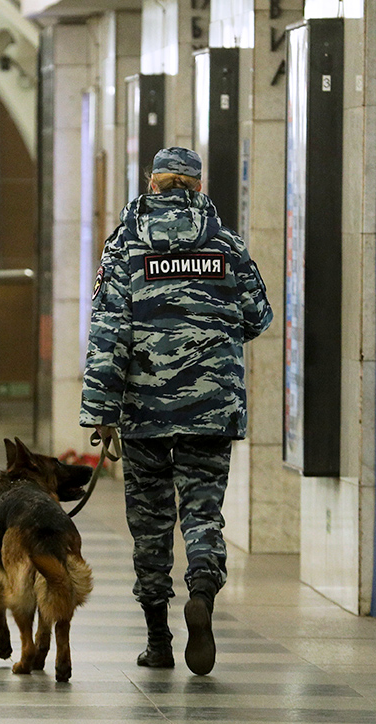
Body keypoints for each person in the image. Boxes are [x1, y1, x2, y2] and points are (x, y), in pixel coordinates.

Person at [80, 146, 273, 675]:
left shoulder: (125, 246)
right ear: (196, 187)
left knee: (150, 523)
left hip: (145, 411)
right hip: (211, 409)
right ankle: (204, 595)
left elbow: (108, 333)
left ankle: (158, 640)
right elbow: (258, 317)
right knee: (202, 513)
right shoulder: (226, 246)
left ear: (153, 185)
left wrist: (100, 410)